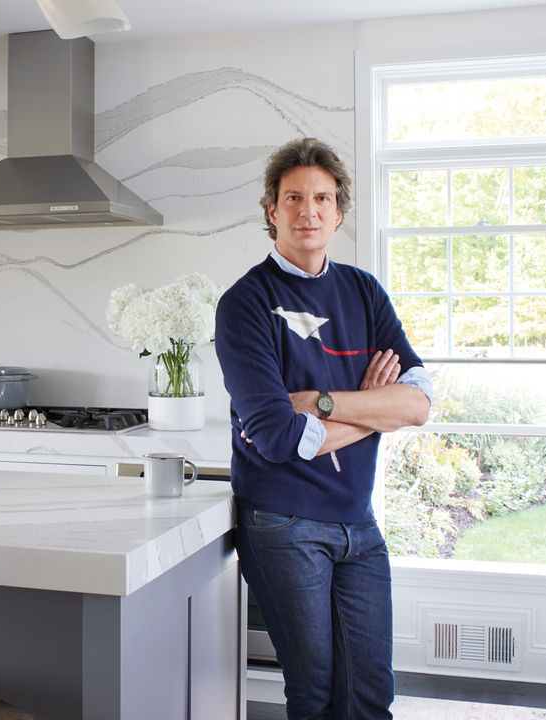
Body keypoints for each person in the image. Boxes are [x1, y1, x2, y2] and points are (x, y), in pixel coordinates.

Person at [215, 137, 433, 719]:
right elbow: (277, 436)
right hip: (282, 523)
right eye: (293, 198)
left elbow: (417, 404)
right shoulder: (245, 304)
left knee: (369, 696)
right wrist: (372, 406)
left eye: (321, 198)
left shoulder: (363, 290)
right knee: (314, 696)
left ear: (338, 212)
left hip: (358, 526)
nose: (307, 211)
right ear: (271, 211)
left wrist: (329, 403)